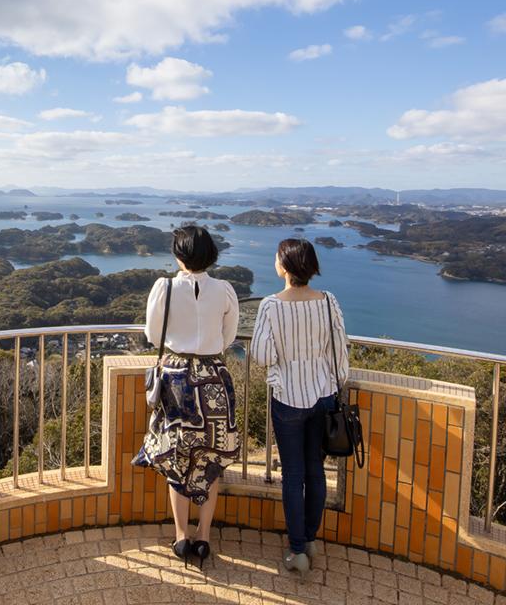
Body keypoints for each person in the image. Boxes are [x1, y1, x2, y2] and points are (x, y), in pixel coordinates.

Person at [133, 225, 240, 569]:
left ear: (178, 254)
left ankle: (181, 537)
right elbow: (228, 337)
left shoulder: (163, 287)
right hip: (213, 380)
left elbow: (152, 335)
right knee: (209, 458)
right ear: (210, 254)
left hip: (177, 382)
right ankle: (204, 535)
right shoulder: (224, 290)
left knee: (177, 457)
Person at [249, 237, 349, 572]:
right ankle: (309, 539)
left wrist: (283, 358)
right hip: (323, 396)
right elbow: (340, 351)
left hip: (288, 400)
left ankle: (297, 551)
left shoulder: (271, 306)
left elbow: (262, 356)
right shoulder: (328, 301)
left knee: (293, 475)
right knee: (314, 471)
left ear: (285, 265)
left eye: (276, 257)